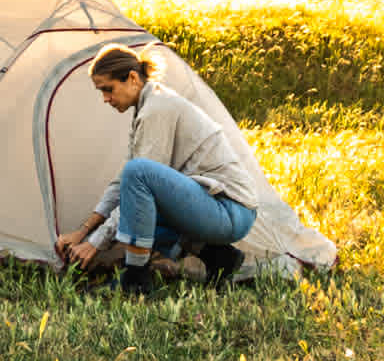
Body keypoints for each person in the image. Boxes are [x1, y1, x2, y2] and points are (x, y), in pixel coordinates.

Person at [53, 45, 255, 296]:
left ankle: (135, 280)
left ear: (133, 79)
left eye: (108, 89)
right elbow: (122, 183)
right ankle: (219, 257)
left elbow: (137, 178)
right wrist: (83, 232)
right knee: (136, 184)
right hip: (217, 210)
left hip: (229, 212)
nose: (105, 98)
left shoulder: (157, 109)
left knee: (139, 175)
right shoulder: (147, 106)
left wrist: (94, 244)